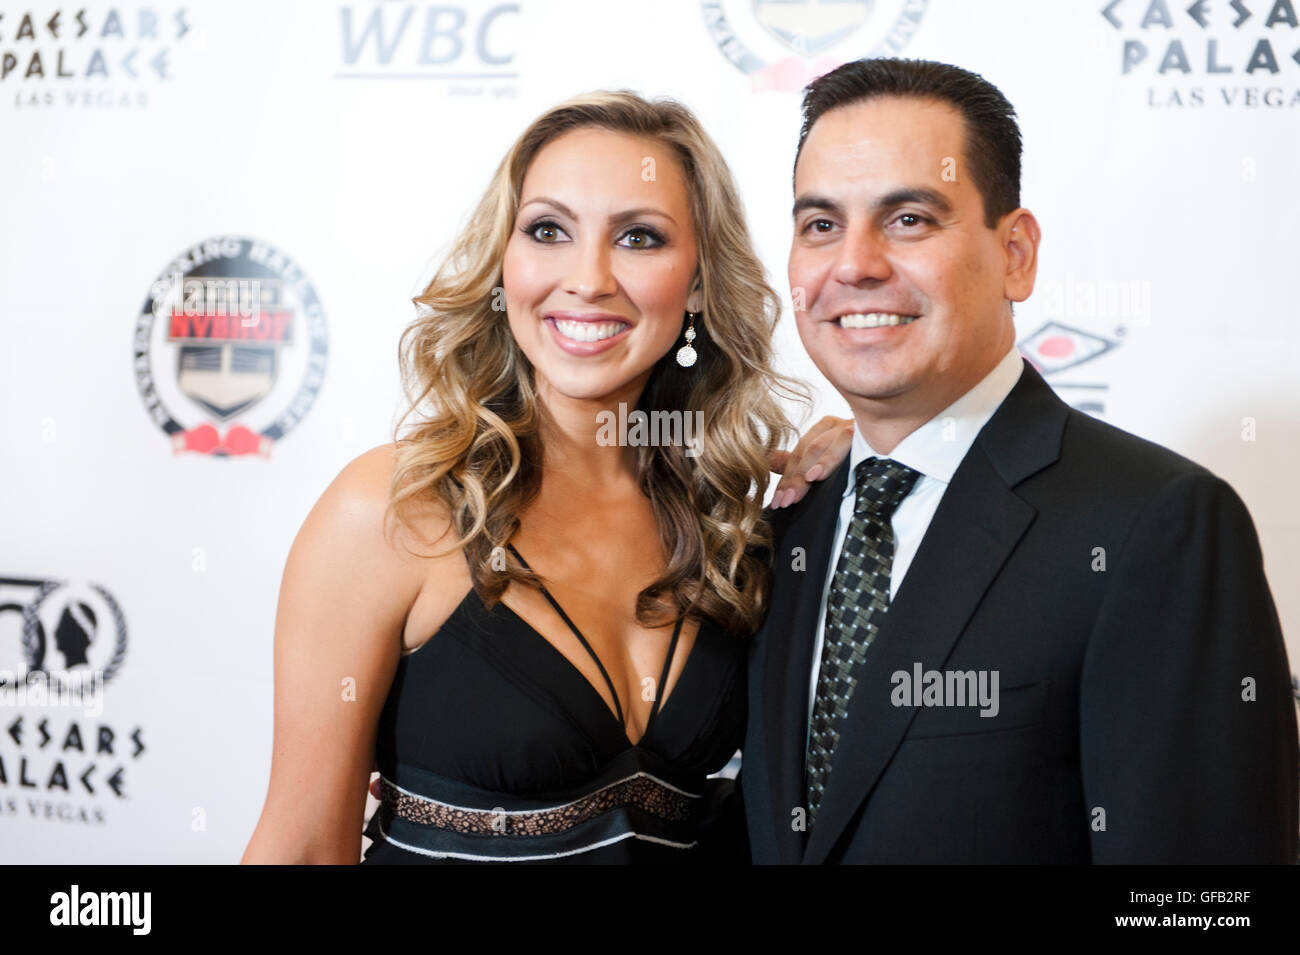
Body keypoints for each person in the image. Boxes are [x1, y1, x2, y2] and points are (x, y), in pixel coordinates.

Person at [240, 89, 827, 864]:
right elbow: (304, 848)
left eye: (639, 238)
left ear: (697, 285)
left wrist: (873, 449)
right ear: (503, 262)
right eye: (548, 230)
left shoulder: (731, 519)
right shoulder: (394, 510)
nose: (587, 278)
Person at [743, 57, 1299, 863]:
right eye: (821, 224)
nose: (854, 264)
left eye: (908, 219)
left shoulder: (1158, 527)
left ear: (1016, 254)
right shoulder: (788, 525)